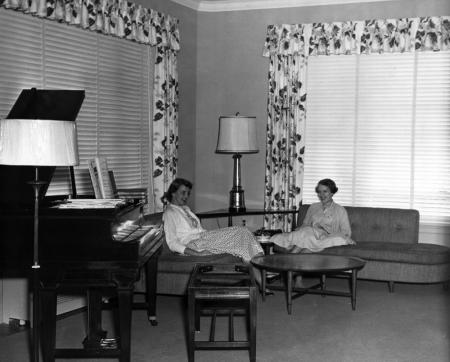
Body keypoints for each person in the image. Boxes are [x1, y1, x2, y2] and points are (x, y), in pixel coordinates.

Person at [161, 178, 264, 263]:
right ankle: (261, 270)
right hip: (193, 244)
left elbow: (199, 230)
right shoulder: (169, 213)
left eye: (188, 193)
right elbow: (172, 243)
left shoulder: (185, 209)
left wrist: (213, 235)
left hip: (204, 238)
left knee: (243, 232)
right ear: (173, 193)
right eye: (183, 193)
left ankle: (259, 267)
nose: (186, 196)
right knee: (242, 233)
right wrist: (197, 253)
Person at [271, 178, 354, 253]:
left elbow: (346, 232)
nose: (321, 195)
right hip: (310, 235)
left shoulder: (340, 210)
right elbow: (305, 224)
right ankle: (293, 261)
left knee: (303, 245)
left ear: (332, 192)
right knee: (306, 238)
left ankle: (290, 263)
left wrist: (327, 232)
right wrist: (298, 231)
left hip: (325, 238)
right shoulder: (313, 207)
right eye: (319, 192)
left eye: (325, 191)